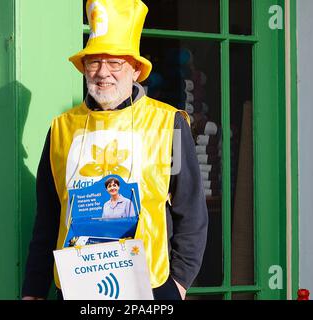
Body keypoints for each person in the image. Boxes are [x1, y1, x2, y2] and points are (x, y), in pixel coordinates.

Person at [22, 0, 208, 300]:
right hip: (76, 286)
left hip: (150, 285)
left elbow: (191, 210)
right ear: (84, 68)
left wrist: (179, 282)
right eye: (94, 62)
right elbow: (48, 217)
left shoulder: (168, 123)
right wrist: (33, 290)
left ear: (135, 70)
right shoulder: (61, 129)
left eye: (115, 63)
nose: (102, 72)